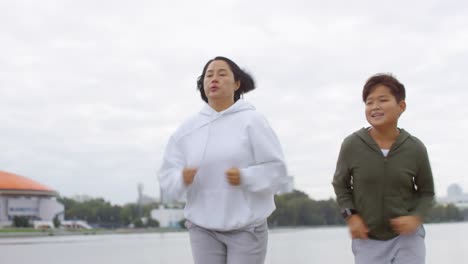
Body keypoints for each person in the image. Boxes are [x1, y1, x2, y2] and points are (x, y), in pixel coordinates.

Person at [159, 56, 288, 264]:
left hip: (246, 228)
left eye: (221, 74)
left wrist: (246, 176)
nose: (214, 79)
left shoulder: (253, 121)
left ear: (237, 84)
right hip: (202, 229)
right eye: (208, 75)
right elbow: (167, 176)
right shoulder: (187, 130)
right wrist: (181, 178)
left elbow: (277, 170)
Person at [332, 73, 435, 264]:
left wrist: (416, 217)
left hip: (407, 239)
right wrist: (351, 217)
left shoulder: (415, 148)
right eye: (369, 102)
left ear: (401, 106)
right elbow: (341, 185)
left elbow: (426, 192)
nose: (375, 107)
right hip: (367, 239)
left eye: (383, 100)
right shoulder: (352, 145)